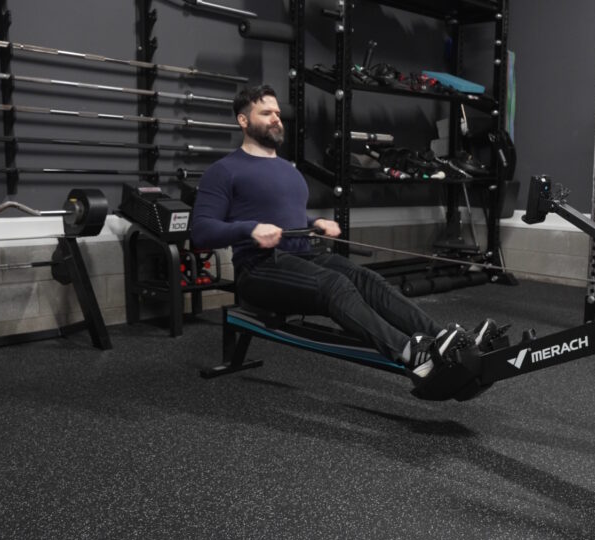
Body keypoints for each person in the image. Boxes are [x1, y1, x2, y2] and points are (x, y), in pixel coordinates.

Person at [191, 85, 499, 382]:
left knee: (367, 279)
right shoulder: (224, 171)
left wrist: (314, 222)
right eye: (265, 113)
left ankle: (443, 337)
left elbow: (284, 216)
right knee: (334, 284)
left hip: (303, 256)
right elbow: (201, 231)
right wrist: (250, 229)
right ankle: (412, 353)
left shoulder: (288, 169)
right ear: (243, 120)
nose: (276, 118)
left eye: (277, 113)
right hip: (259, 268)